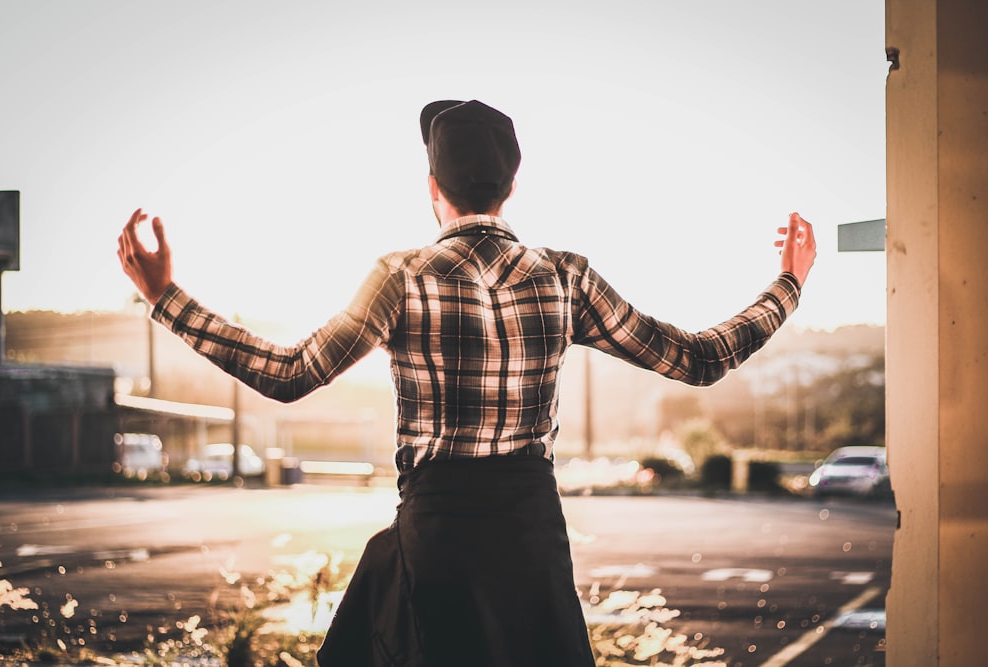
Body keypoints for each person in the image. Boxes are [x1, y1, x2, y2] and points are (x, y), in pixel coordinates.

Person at [118, 99, 816, 667]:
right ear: (512, 186)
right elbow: (697, 358)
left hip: (439, 532)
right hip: (529, 535)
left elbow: (290, 373)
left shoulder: (400, 275)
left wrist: (167, 298)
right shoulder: (566, 275)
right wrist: (788, 284)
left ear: (433, 188)